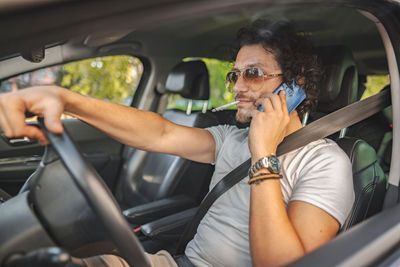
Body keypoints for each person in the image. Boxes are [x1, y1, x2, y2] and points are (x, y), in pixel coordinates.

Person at [0, 20, 354, 267]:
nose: (237, 87)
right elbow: (160, 133)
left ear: (294, 85)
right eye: (235, 74)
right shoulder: (231, 138)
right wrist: (65, 99)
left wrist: (264, 153)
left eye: (253, 73)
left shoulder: (325, 163)